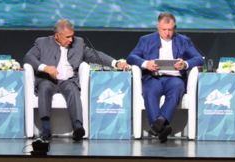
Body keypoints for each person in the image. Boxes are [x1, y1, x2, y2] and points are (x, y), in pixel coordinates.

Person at [25, 18, 130, 141]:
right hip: (48, 79)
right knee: (45, 88)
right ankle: (46, 128)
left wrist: (116, 63)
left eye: (72, 36)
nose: (71, 40)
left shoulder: (78, 43)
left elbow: (95, 55)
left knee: (73, 90)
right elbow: (28, 57)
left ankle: (78, 127)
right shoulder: (42, 42)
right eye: (67, 37)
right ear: (57, 36)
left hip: (67, 80)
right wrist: (45, 68)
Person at [126, 12, 205, 142]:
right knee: (150, 92)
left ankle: (158, 124)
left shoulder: (183, 41)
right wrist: (146, 64)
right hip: (153, 77)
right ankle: (162, 128)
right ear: (158, 27)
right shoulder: (146, 40)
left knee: (176, 89)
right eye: (164, 30)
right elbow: (131, 57)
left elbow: (199, 59)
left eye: (170, 30)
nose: (167, 33)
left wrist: (185, 64)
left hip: (174, 79)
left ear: (175, 28)